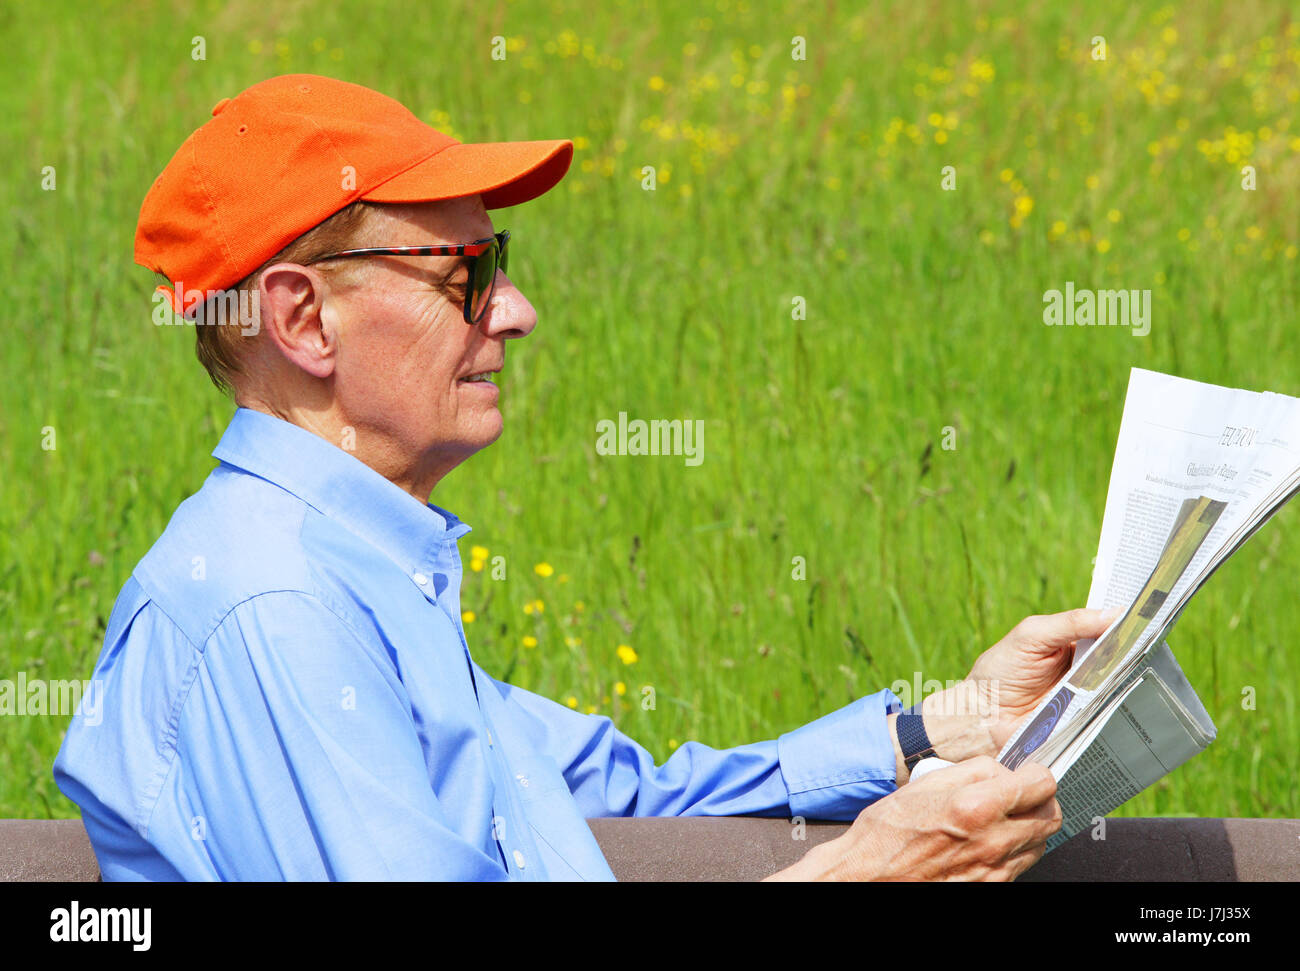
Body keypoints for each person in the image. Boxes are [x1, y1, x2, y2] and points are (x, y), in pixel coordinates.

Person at [53, 74, 1116, 881]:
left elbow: (637, 797)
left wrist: (940, 728)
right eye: (464, 272)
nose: (513, 311)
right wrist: (862, 868)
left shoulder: (351, 570)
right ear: (300, 318)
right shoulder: (274, 607)